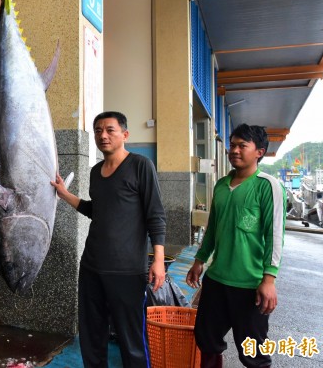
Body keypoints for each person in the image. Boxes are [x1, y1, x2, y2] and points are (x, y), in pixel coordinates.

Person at [51, 111, 167, 368]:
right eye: (98, 130)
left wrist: (158, 260)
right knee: (92, 335)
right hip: (92, 267)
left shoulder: (140, 166)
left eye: (110, 130)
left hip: (127, 271)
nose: (103, 135)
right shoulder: (95, 172)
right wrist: (64, 194)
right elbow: (96, 210)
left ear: (124, 134)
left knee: (131, 338)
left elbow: (156, 216)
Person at [186, 124, 286, 368]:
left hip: (250, 285)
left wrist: (269, 280)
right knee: (206, 339)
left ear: (259, 152)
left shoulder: (268, 186)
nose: (235, 150)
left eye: (243, 145)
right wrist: (199, 261)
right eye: (233, 145)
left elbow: (275, 235)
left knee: (253, 353)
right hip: (217, 280)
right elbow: (213, 229)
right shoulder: (221, 185)